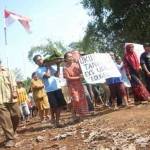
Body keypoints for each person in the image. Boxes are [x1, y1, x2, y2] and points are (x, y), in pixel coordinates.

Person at [33, 55, 66, 127]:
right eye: (38, 60)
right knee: (55, 106)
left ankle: (55, 120)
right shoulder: (38, 70)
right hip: (50, 90)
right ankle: (55, 121)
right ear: (36, 63)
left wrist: (57, 65)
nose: (40, 61)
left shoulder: (49, 66)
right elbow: (48, 76)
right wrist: (48, 67)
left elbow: (57, 75)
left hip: (57, 87)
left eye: (41, 59)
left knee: (59, 106)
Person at [63, 52, 89, 122]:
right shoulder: (65, 68)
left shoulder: (76, 65)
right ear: (65, 59)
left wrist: (83, 74)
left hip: (79, 85)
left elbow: (82, 72)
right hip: (72, 86)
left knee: (82, 100)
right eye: (69, 57)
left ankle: (82, 115)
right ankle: (74, 113)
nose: (70, 58)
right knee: (76, 100)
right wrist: (78, 77)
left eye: (71, 56)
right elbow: (68, 78)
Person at [0, 61, 20, 147]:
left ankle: (13, 131)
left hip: (11, 98)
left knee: (16, 116)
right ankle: (10, 139)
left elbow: (13, 82)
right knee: (5, 120)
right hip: (0, 101)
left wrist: (14, 91)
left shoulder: (7, 71)